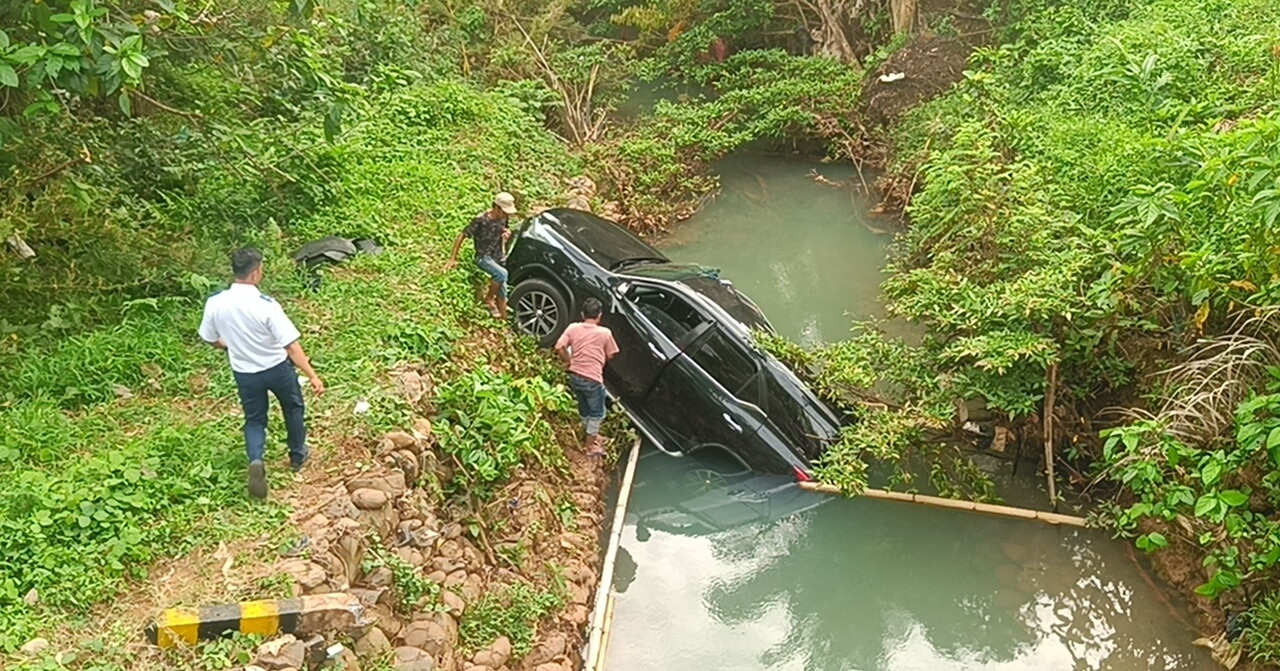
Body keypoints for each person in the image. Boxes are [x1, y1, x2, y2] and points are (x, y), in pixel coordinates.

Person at [198, 248, 325, 500]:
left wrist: (229, 346)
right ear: (255, 274)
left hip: (245, 372)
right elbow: (291, 345)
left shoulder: (215, 303)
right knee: (293, 407)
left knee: (255, 419)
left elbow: (209, 338)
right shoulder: (266, 305)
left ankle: (256, 459)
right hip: (277, 368)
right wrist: (311, 374)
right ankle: (298, 455)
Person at [555, 297, 619, 456]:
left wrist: (568, 360)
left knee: (584, 408)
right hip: (592, 379)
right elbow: (612, 353)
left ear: (583, 314)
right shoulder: (605, 333)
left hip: (574, 376)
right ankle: (590, 446)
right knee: (597, 413)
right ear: (599, 316)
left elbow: (559, 346)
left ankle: (592, 435)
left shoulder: (573, 328)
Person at [445, 192, 517, 319]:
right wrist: (452, 258)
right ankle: (488, 299)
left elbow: (504, 230)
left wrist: (506, 234)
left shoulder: (504, 218)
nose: (506, 216)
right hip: (484, 257)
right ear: (496, 207)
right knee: (502, 274)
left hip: (498, 256)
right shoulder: (481, 220)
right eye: (504, 212)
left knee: (503, 293)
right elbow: (462, 235)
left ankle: (503, 321)